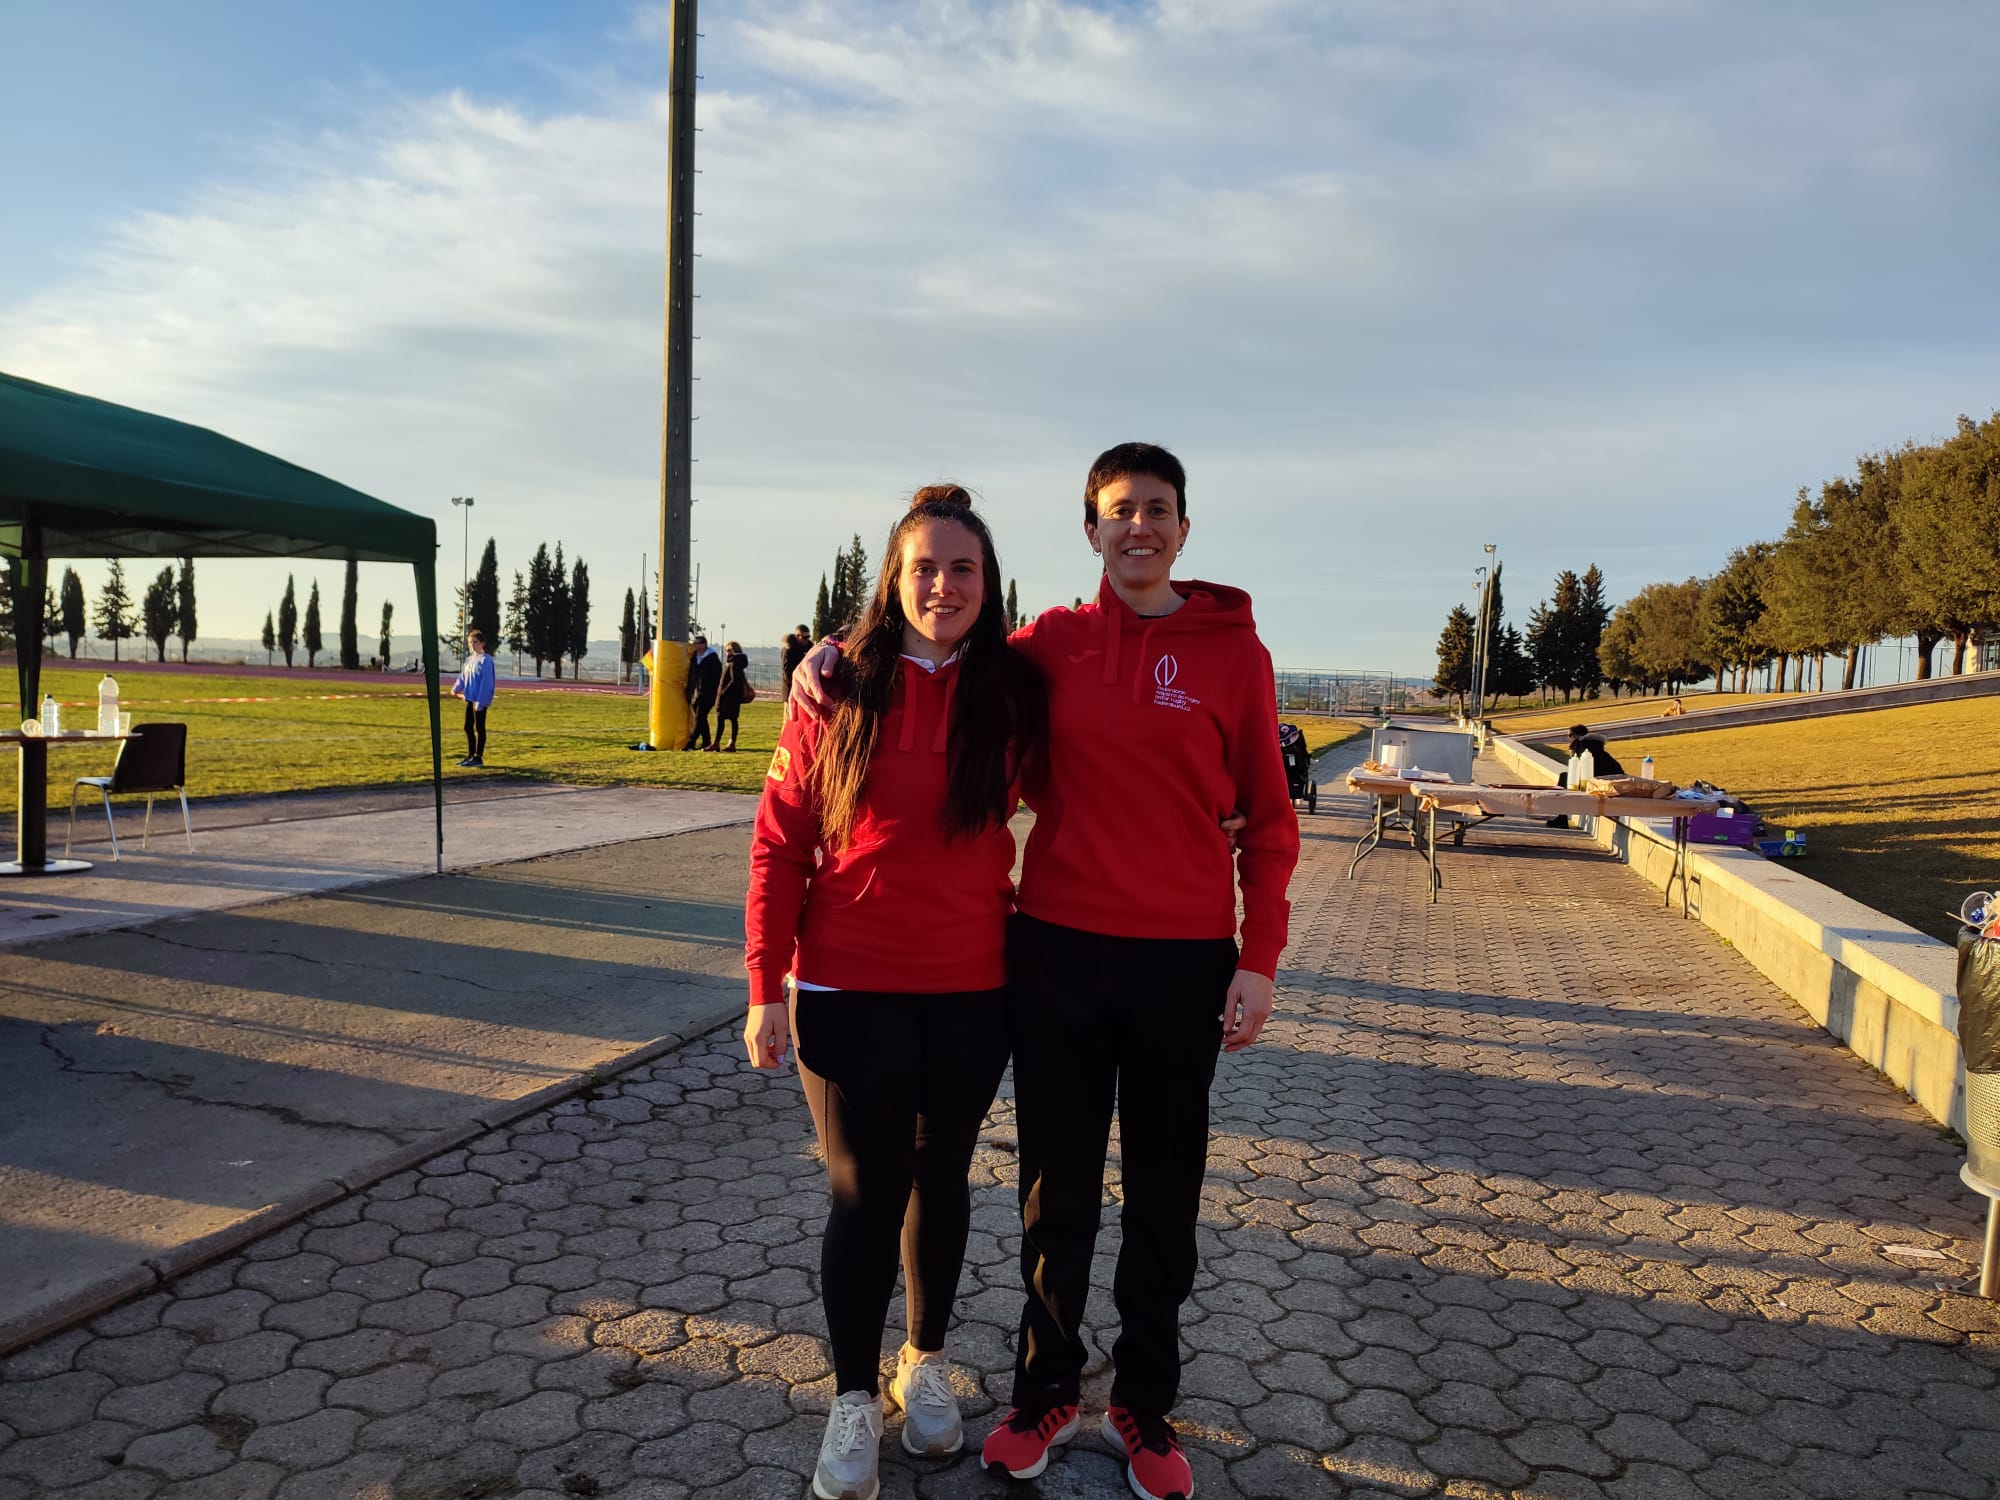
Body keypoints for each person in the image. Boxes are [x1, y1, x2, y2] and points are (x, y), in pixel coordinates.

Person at [796, 443, 1299, 1500]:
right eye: (1118, 512)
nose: (1138, 529)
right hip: (1056, 954)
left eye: (1156, 511)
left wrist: (1256, 960)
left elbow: (1267, 821)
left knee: (1163, 1195)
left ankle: (1144, 1409)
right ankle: (1044, 1395)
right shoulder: (1046, 648)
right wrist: (827, 659)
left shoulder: (1233, 655)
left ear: (1182, 529)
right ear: (1090, 530)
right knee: (1052, 1194)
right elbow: (936, 647)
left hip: (1183, 963)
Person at [746, 487, 1044, 1500]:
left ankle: (923, 1364)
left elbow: (1098, 775)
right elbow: (780, 842)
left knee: (941, 1179)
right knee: (861, 1194)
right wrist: (763, 985)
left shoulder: (1013, 688)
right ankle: (847, 1402)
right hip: (844, 982)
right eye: (924, 566)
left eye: (963, 568)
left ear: (987, 583)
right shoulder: (834, 687)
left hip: (971, 985)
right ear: (892, 578)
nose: (943, 585)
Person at [450, 629, 496, 768]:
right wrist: (456, 689)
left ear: (482, 643)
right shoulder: (470, 660)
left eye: (475, 642)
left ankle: (478, 757)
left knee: (479, 728)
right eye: (470, 642)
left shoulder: (486, 661)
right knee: (467, 727)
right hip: (470, 698)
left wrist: (481, 702)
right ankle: (470, 755)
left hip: (479, 701)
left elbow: (487, 682)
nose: (473, 644)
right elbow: (463, 677)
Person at [683, 635, 721, 750]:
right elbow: (692, 675)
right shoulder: (694, 657)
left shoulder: (712, 657)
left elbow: (717, 676)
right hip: (696, 693)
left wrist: (711, 690)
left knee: (700, 717)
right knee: (701, 718)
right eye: (694, 643)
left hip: (708, 693)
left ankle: (691, 743)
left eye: (698, 643)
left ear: (704, 644)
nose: (696, 645)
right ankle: (707, 742)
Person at [712, 640, 751, 752]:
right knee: (732, 719)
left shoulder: (734, 662)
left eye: (728, 650)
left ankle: (717, 743)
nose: (726, 652)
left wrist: (723, 691)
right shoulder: (737, 661)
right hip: (734, 697)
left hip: (728, 697)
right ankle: (730, 743)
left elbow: (734, 680)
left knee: (721, 718)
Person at [781, 624, 811, 702]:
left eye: (808, 637)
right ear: (797, 636)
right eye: (804, 637)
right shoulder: (788, 650)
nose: (807, 639)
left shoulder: (809, 648)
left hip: (804, 689)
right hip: (791, 689)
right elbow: (787, 672)